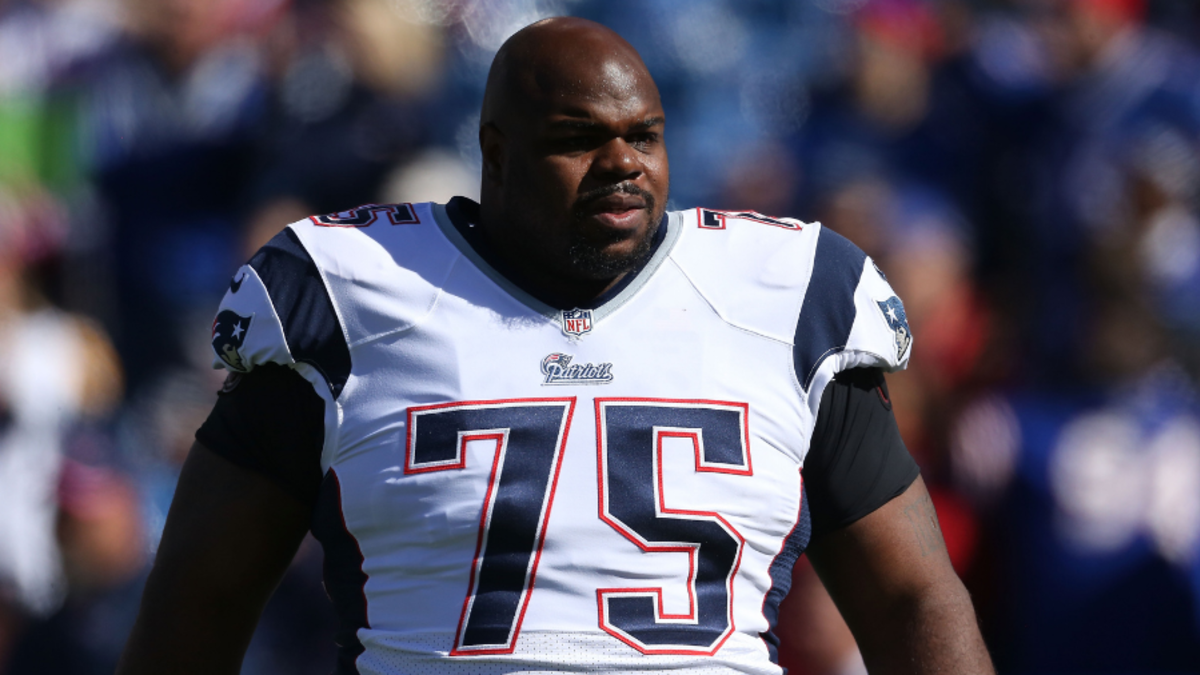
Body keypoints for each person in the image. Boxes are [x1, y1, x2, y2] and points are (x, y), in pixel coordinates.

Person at [116, 17, 994, 675]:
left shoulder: (786, 296)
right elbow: (200, 594)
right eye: (579, 139)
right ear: (495, 155)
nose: (623, 164)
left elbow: (911, 595)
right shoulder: (350, 291)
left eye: (643, 136)